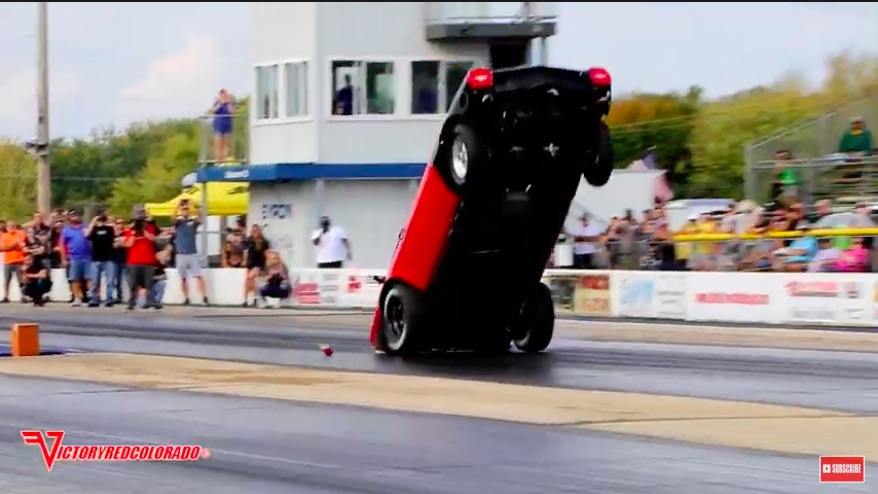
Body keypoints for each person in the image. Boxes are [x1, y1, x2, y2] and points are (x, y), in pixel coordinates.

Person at [173, 200, 209, 306]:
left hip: (192, 253)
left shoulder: (192, 222)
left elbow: (200, 217)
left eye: (186, 209)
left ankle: (204, 297)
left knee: (198, 275)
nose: (185, 211)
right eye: (183, 209)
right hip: (181, 253)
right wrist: (177, 206)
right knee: (183, 277)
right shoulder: (178, 223)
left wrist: (194, 206)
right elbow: (172, 218)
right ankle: (186, 297)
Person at [123, 209, 160, 311]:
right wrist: (134, 234)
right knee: (133, 284)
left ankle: (150, 301)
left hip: (148, 260)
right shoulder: (130, 229)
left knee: (149, 283)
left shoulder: (150, 227)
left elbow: (153, 239)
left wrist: (144, 231)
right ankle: (131, 303)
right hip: (134, 260)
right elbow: (128, 244)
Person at [85, 210, 117, 307]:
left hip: (108, 258)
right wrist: (94, 222)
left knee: (110, 281)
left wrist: (109, 221)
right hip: (96, 259)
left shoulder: (109, 229)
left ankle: (109, 298)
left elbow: (116, 233)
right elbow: (86, 235)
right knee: (94, 281)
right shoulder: (94, 230)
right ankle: (94, 299)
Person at [60, 210, 92, 306]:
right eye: (72, 215)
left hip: (87, 256)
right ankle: (77, 297)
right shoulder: (66, 230)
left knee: (89, 278)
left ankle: (92, 297)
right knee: (75, 279)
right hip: (74, 257)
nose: (75, 217)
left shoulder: (85, 227)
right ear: (69, 218)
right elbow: (62, 245)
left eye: (76, 214)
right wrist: (63, 258)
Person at [242, 224, 270, 307]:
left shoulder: (264, 242)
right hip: (250, 263)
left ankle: (254, 298)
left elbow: (266, 254)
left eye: (256, 230)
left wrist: (265, 266)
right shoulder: (249, 240)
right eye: (253, 230)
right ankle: (249, 299)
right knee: (249, 281)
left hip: (259, 264)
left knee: (249, 278)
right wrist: (245, 261)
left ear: (260, 231)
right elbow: (245, 251)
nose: (254, 232)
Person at [1, 220, 27, 303]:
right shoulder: (4, 236)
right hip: (8, 261)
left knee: (21, 280)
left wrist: (10, 246)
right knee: (7, 279)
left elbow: (22, 245)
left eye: (12, 225)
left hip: (19, 260)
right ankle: (6, 296)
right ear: (7, 227)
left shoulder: (21, 233)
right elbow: (2, 248)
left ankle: (23, 296)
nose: (11, 227)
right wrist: (13, 245)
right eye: (9, 226)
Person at [211, 89, 235, 161]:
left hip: (227, 125)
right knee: (218, 145)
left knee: (226, 145)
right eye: (222, 95)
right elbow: (213, 110)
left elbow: (232, 111)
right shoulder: (217, 102)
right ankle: (218, 161)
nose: (223, 96)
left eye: (225, 94)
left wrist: (228, 102)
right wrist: (220, 103)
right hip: (218, 125)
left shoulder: (229, 103)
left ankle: (224, 161)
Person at [148, 245, 171, 310]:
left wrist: (159, 277)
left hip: (155, 282)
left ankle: (157, 301)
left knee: (162, 283)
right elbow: (146, 277)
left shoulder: (160, 265)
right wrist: (158, 277)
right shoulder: (149, 263)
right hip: (149, 284)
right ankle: (149, 301)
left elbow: (165, 276)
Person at [111, 218, 128, 304]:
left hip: (126, 260)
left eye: (122, 223)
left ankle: (129, 297)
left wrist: (121, 243)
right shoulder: (111, 235)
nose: (120, 225)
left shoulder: (127, 234)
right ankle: (118, 296)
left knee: (126, 280)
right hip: (115, 260)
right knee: (116, 279)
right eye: (118, 223)